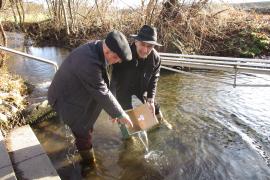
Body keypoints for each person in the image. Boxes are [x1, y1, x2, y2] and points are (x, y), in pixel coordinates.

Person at [48, 30, 134, 166]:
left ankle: (85, 140)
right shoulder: (87, 60)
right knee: (83, 131)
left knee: (87, 125)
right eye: (117, 58)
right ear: (108, 52)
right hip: (65, 98)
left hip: (76, 89)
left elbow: (104, 84)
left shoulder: (98, 48)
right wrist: (119, 113)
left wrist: (112, 111)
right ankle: (89, 163)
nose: (117, 62)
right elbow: (101, 90)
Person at [112, 25, 172, 130]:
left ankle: (161, 122)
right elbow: (113, 79)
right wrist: (112, 105)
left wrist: (151, 100)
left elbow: (154, 80)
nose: (145, 50)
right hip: (123, 91)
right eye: (143, 44)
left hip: (141, 89)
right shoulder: (123, 54)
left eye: (149, 46)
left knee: (154, 108)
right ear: (136, 42)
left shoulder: (156, 58)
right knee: (127, 123)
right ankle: (129, 139)